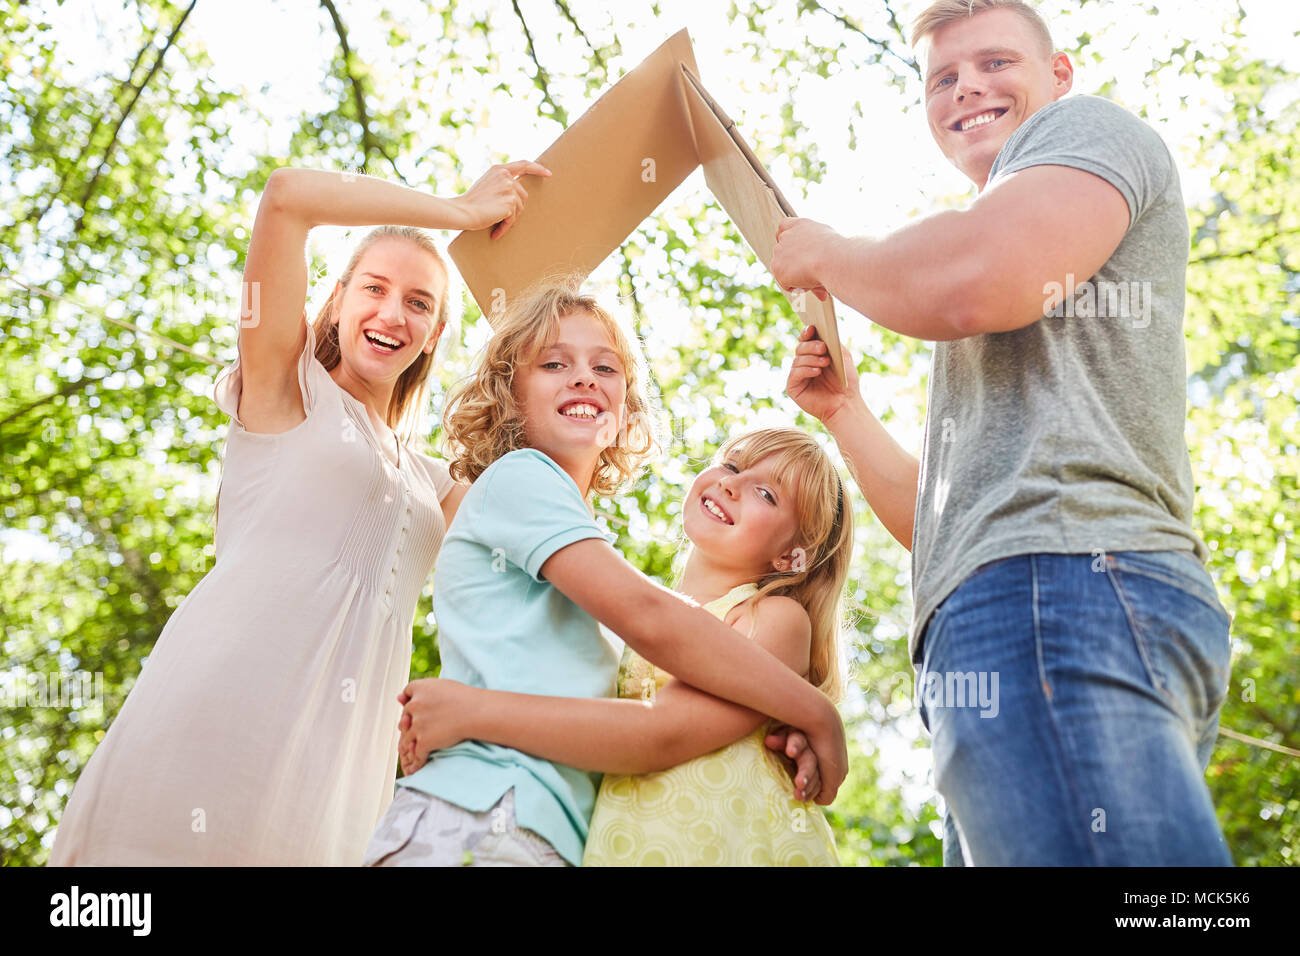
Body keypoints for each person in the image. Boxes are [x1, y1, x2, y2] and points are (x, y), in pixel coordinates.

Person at [773, 0, 1232, 865]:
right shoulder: (1004, 242)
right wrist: (845, 412)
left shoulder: (1089, 135)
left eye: (995, 64)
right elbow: (946, 526)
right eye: (942, 78)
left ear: (1058, 76)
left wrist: (824, 253)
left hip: (1064, 588)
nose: (967, 89)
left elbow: (976, 280)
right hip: (1013, 606)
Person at [49, 160, 550, 865]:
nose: (391, 313)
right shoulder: (286, 387)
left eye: (419, 302)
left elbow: (545, 507)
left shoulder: (436, 485)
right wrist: (461, 213)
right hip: (214, 720)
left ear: (434, 333)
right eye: (374, 288)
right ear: (336, 300)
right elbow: (286, 197)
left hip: (341, 771)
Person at [361, 283, 848, 867]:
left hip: (546, 829)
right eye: (554, 363)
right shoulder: (522, 478)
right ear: (509, 395)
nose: (584, 378)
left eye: (605, 367)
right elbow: (650, 619)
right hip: (482, 809)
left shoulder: (589, 553)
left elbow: (651, 715)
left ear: (625, 413)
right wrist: (814, 710)